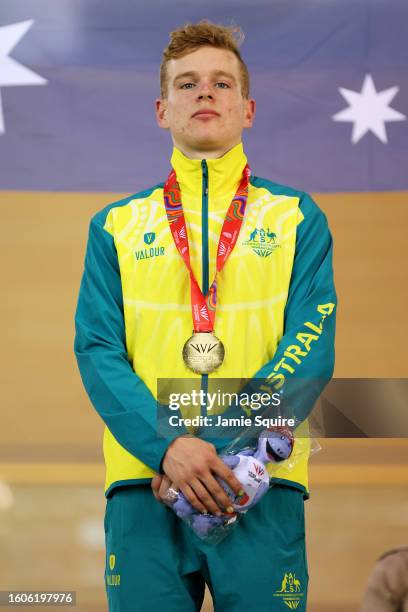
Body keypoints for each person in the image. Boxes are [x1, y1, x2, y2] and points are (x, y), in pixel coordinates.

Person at [74, 20, 336, 612]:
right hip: (147, 483)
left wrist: (218, 451)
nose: (205, 93)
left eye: (221, 83)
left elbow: (311, 344)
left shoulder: (297, 217)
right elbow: (97, 351)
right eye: (188, 84)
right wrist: (168, 446)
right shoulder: (114, 226)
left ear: (248, 108)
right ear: (162, 109)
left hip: (259, 479)